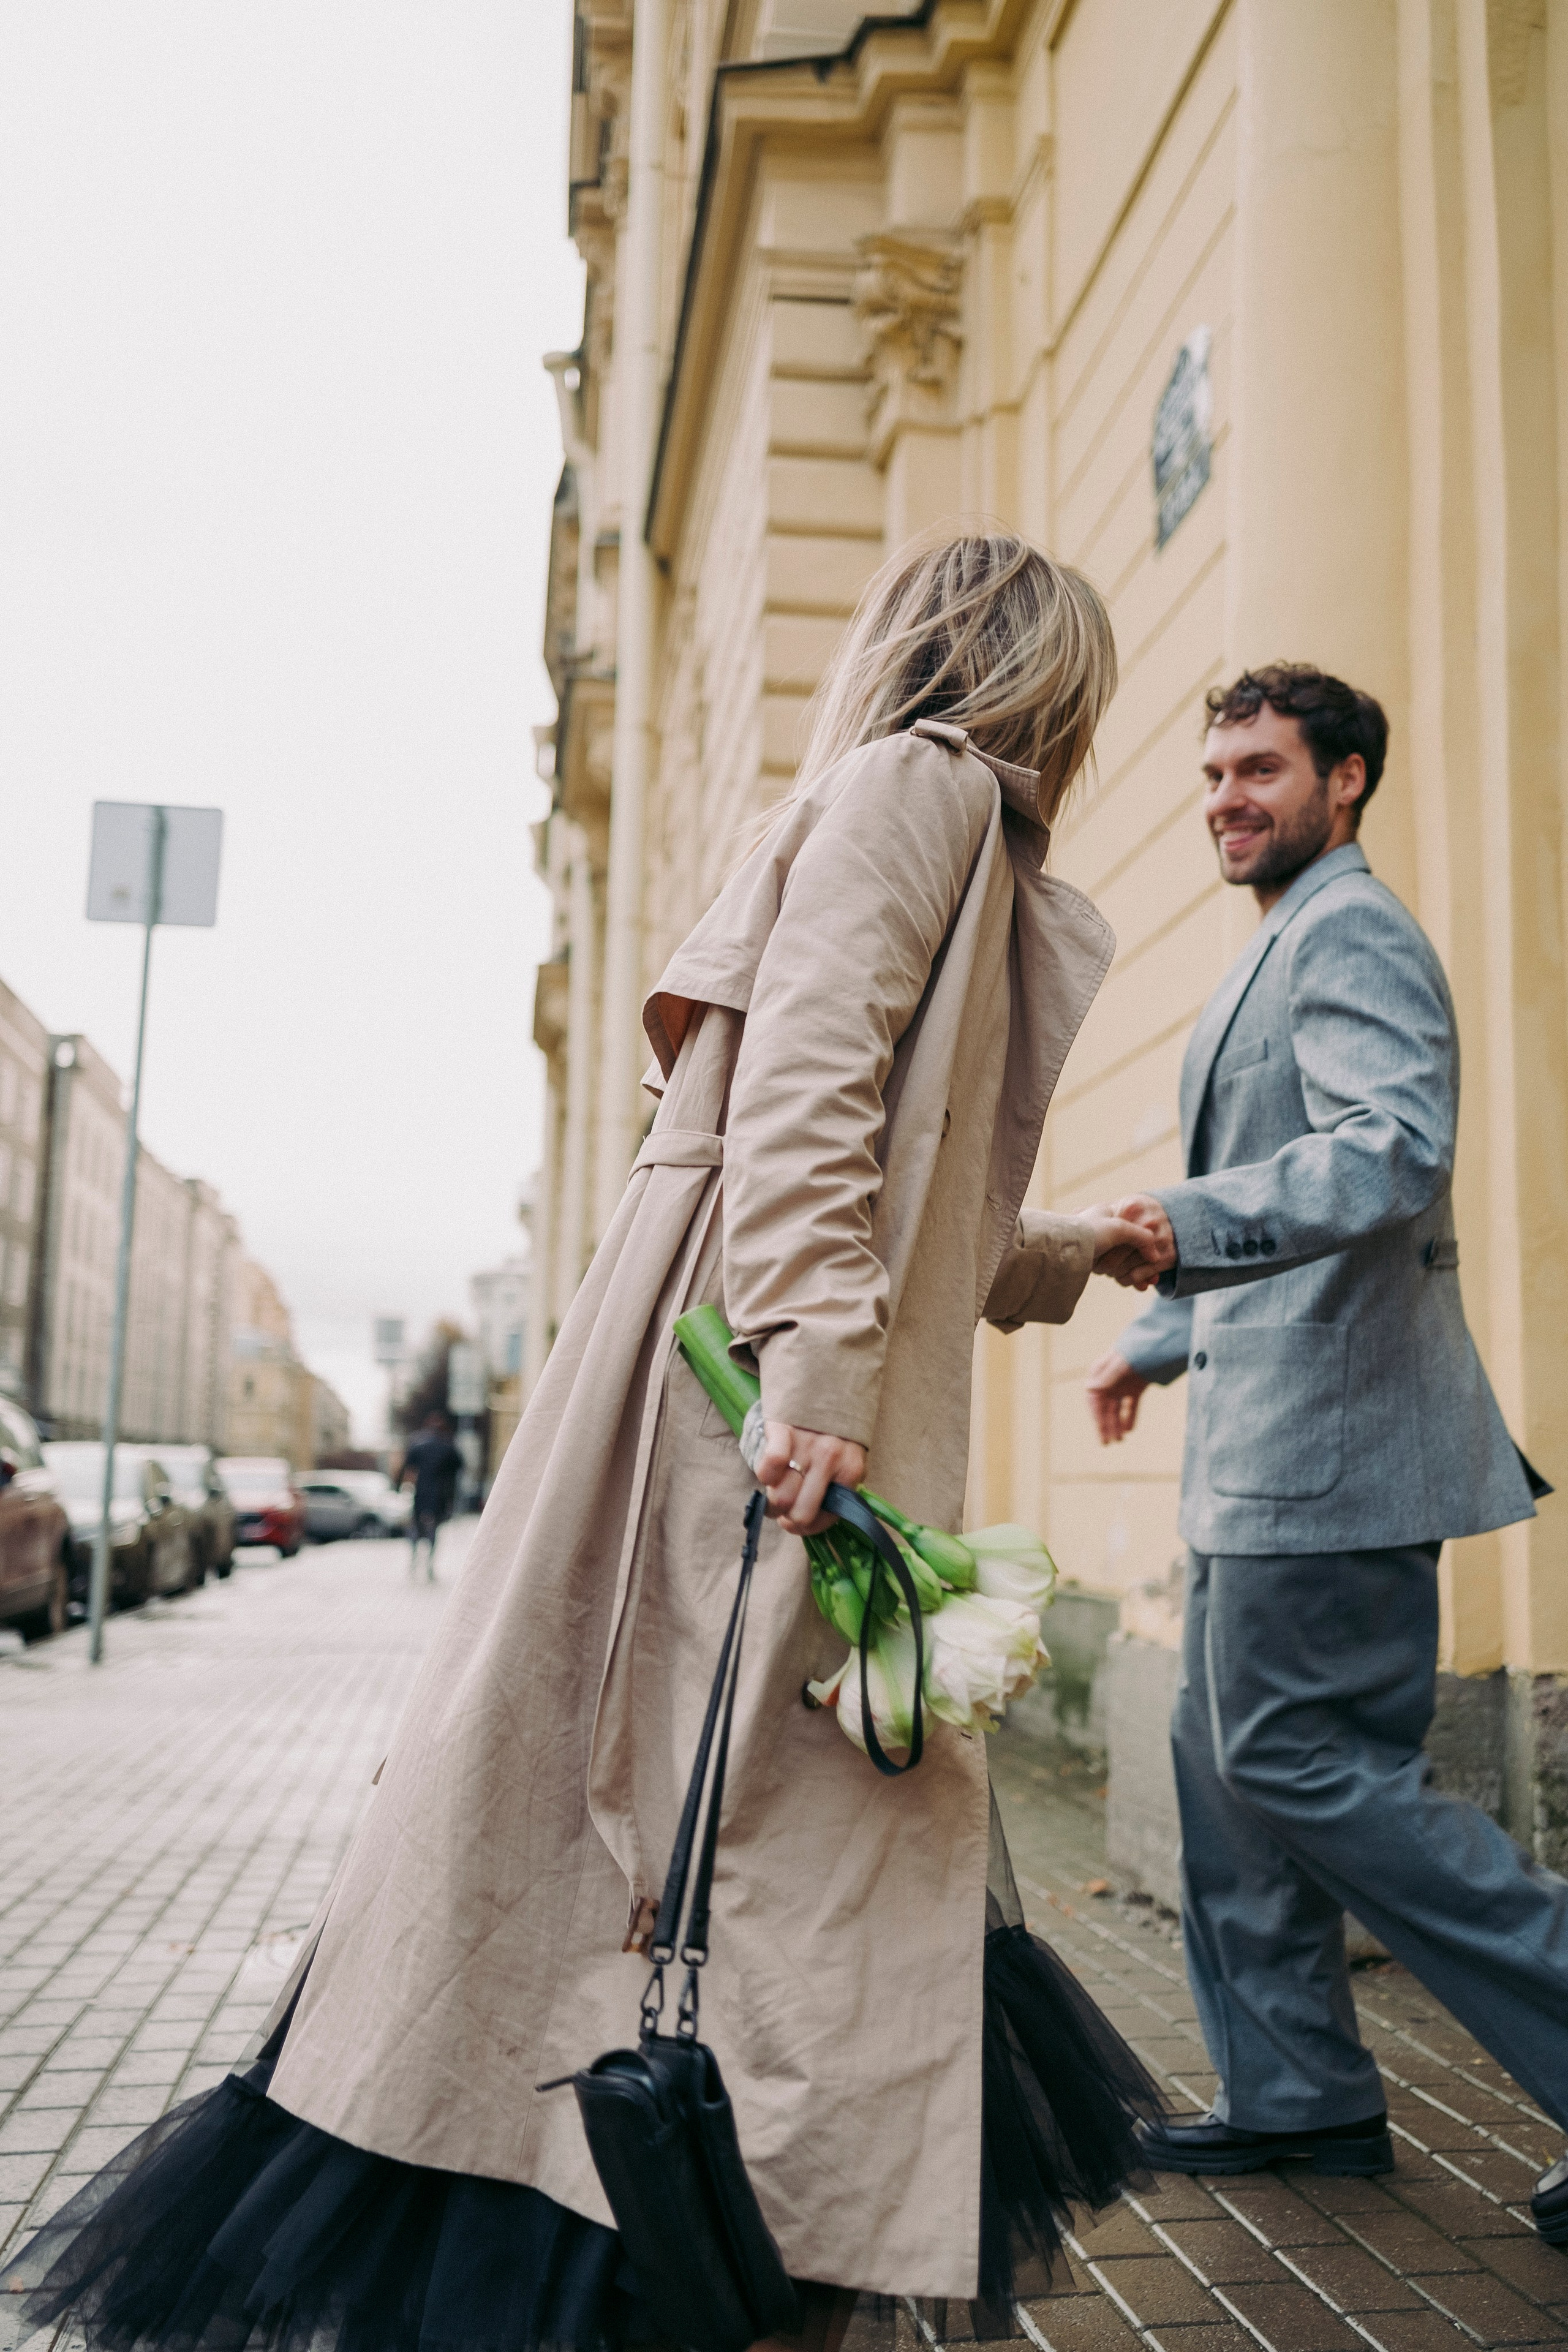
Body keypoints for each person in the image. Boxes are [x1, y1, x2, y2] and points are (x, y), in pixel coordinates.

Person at [4, 531, 1172, 2352]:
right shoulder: (922, 784)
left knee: (705, 1836)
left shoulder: (904, 807)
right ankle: (688, 2222)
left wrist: (1079, 1248)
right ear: (1032, 673)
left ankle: (668, 2214)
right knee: (729, 1831)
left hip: (727, 1380)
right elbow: (805, 1090)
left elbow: (908, 1191)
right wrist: (813, 1380)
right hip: (740, 1414)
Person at [1084, 664, 1568, 2225]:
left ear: (1343, 778)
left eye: (1259, 770)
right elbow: (1299, 1198)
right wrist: (1161, 1337)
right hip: (1260, 1446)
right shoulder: (1280, 936)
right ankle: (1293, 2091)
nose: (1224, 799)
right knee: (1221, 1769)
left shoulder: (1349, 929)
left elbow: (1388, 1149)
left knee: (1305, 1764)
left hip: (1333, 1458)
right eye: (1212, 773)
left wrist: (1185, 1225)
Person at [398, 1406, 463, 1580]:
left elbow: (409, 1471)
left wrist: (406, 1490)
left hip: (420, 1493)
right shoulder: (449, 1445)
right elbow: (459, 1469)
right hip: (440, 1494)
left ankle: (414, 1562)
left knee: (416, 1528)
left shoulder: (418, 1444)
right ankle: (429, 1565)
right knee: (434, 1529)